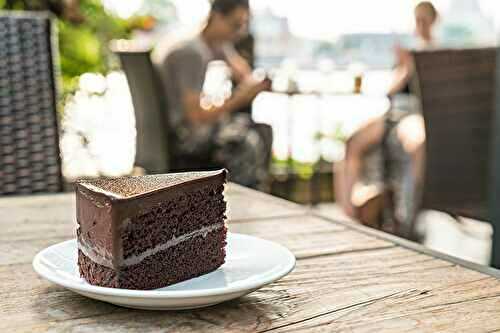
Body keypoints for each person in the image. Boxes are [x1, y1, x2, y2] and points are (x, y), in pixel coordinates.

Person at [336, 1, 438, 236]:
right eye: (417, 19)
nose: (420, 25)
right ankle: (348, 213)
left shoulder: (437, 53)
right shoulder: (408, 54)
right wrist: (406, 67)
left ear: (433, 21)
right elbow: (391, 90)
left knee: (417, 144)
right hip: (393, 113)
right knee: (353, 142)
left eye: (424, 20)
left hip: (415, 115)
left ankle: (411, 217)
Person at [155, 0, 272, 189]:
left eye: (243, 25)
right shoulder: (191, 53)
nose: (240, 32)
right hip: (185, 139)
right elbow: (196, 117)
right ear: (217, 17)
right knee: (252, 138)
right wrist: (238, 100)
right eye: (235, 25)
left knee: (253, 129)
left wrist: (226, 47)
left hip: (174, 134)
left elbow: (244, 74)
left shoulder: (199, 43)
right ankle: (244, 202)